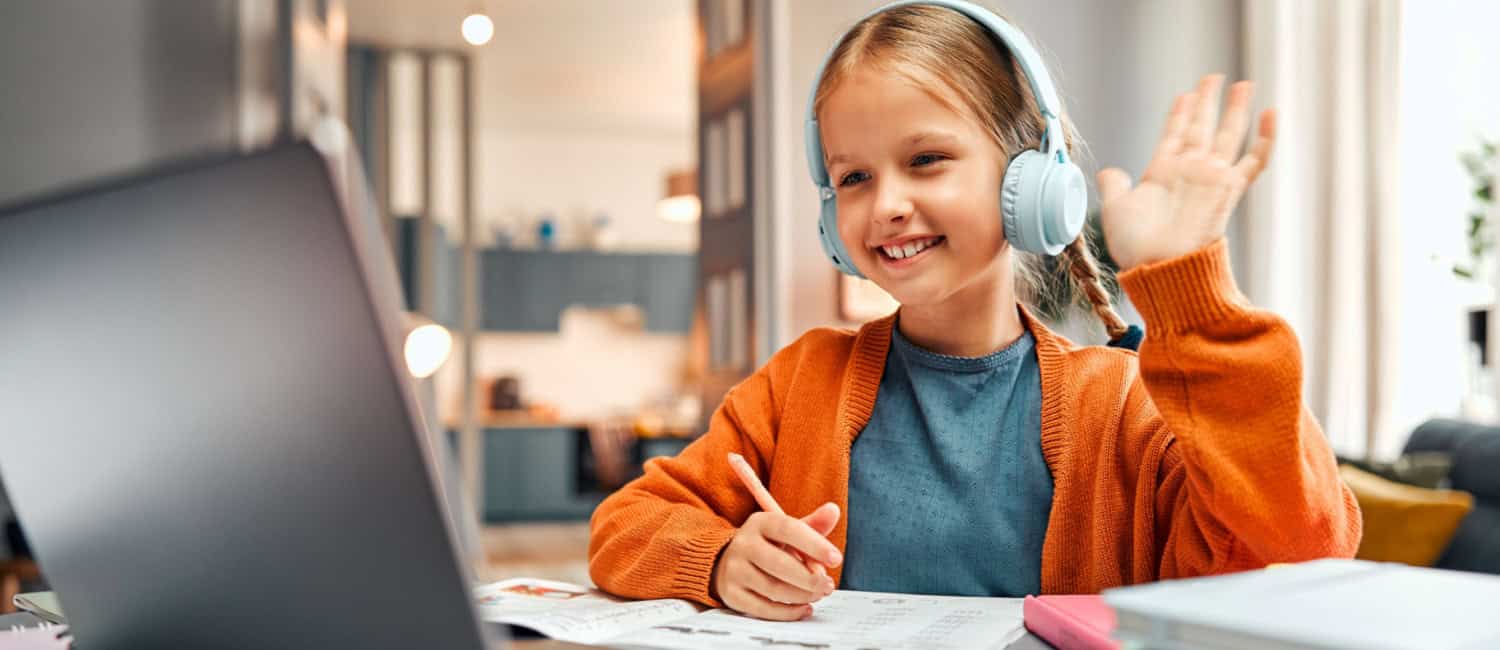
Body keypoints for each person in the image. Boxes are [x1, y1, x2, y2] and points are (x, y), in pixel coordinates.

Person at [589, 0, 1360, 621]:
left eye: (926, 159)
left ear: (1030, 179)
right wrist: (722, 562)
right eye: (852, 177)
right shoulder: (799, 385)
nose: (887, 203)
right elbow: (625, 526)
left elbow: (1297, 554)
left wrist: (1186, 290)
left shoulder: (1121, 404)